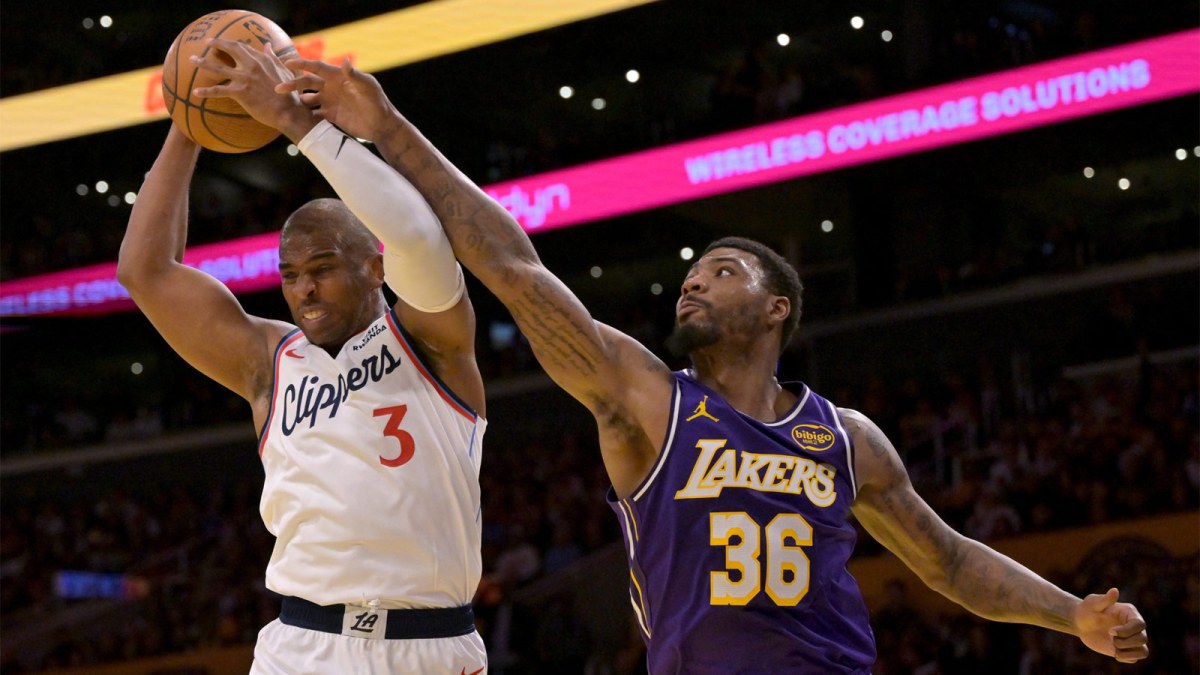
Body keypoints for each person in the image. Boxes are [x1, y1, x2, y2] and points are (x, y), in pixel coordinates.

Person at [261, 53, 1149, 673]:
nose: (691, 283)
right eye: (689, 273)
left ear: (775, 310)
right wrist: (387, 130)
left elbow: (951, 563)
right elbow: (511, 266)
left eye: (720, 271)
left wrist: (1071, 613)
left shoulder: (849, 439)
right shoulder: (647, 400)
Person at [117, 40, 489, 674]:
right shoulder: (269, 359)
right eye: (291, 276)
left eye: (322, 269)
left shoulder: (430, 338)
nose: (305, 290)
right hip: (305, 644)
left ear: (375, 270)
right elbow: (145, 272)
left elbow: (418, 239)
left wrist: (299, 124)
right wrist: (190, 119)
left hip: (430, 645)